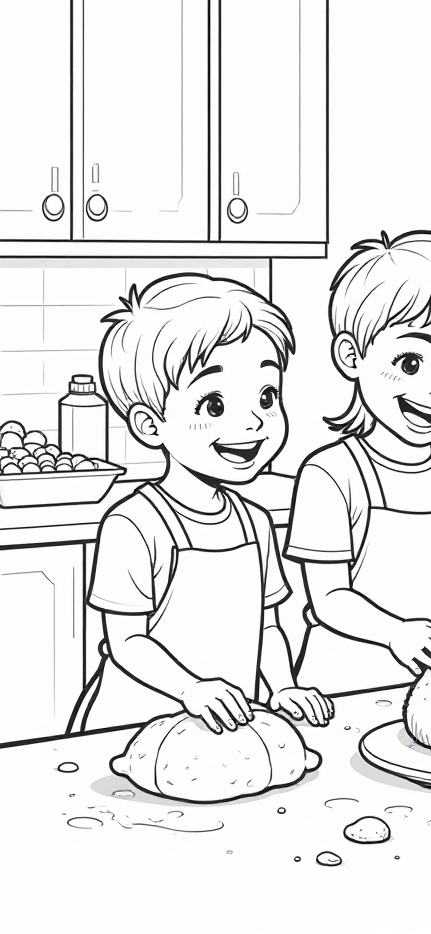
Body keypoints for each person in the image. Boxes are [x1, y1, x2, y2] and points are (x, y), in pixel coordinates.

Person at [70, 275, 332, 734]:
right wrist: (192, 689)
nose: (253, 421)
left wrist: (283, 686)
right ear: (151, 426)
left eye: (267, 397)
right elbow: (127, 641)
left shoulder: (255, 523)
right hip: (130, 726)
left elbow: (266, 628)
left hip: (224, 726)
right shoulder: (134, 525)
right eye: (213, 405)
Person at [284, 231, 431, 694]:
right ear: (351, 357)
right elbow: (329, 596)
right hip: (348, 681)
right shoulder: (331, 474)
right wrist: (395, 633)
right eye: (411, 363)